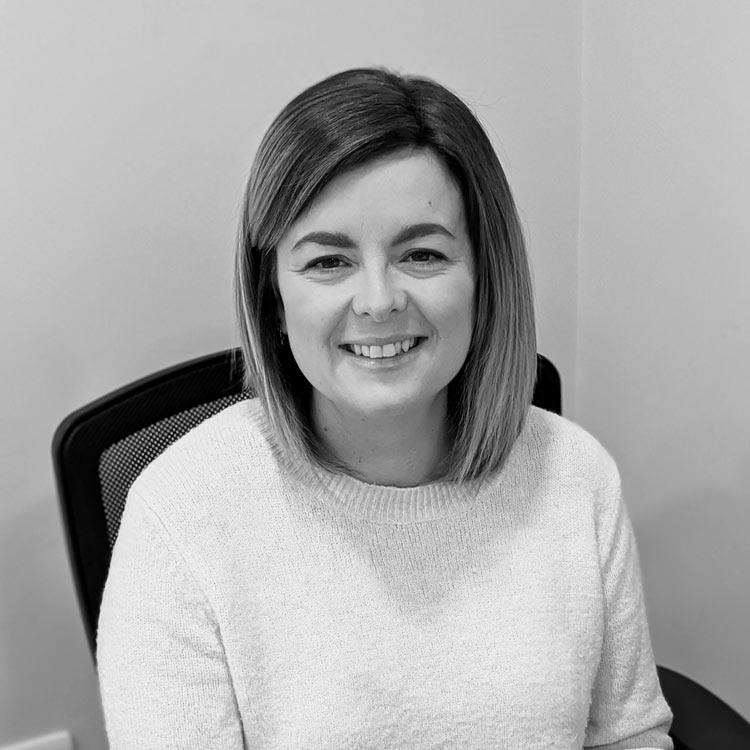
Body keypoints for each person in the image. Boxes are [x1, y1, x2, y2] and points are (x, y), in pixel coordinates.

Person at [96, 67, 674, 749]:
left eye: (421, 254)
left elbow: (628, 737)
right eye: (328, 262)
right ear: (273, 298)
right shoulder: (181, 513)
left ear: (484, 277)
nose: (378, 301)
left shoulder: (576, 477)